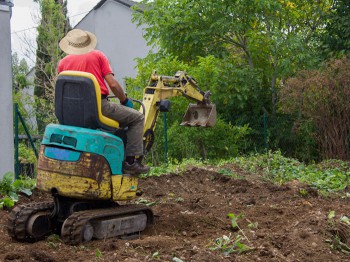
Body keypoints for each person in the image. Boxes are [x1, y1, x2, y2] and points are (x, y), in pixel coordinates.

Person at [57, 28, 149, 175]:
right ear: (89, 43)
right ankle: (131, 163)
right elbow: (112, 84)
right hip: (98, 107)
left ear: (69, 45)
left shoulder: (62, 63)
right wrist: (124, 100)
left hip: (71, 112)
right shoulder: (98, 55)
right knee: (137, 118)